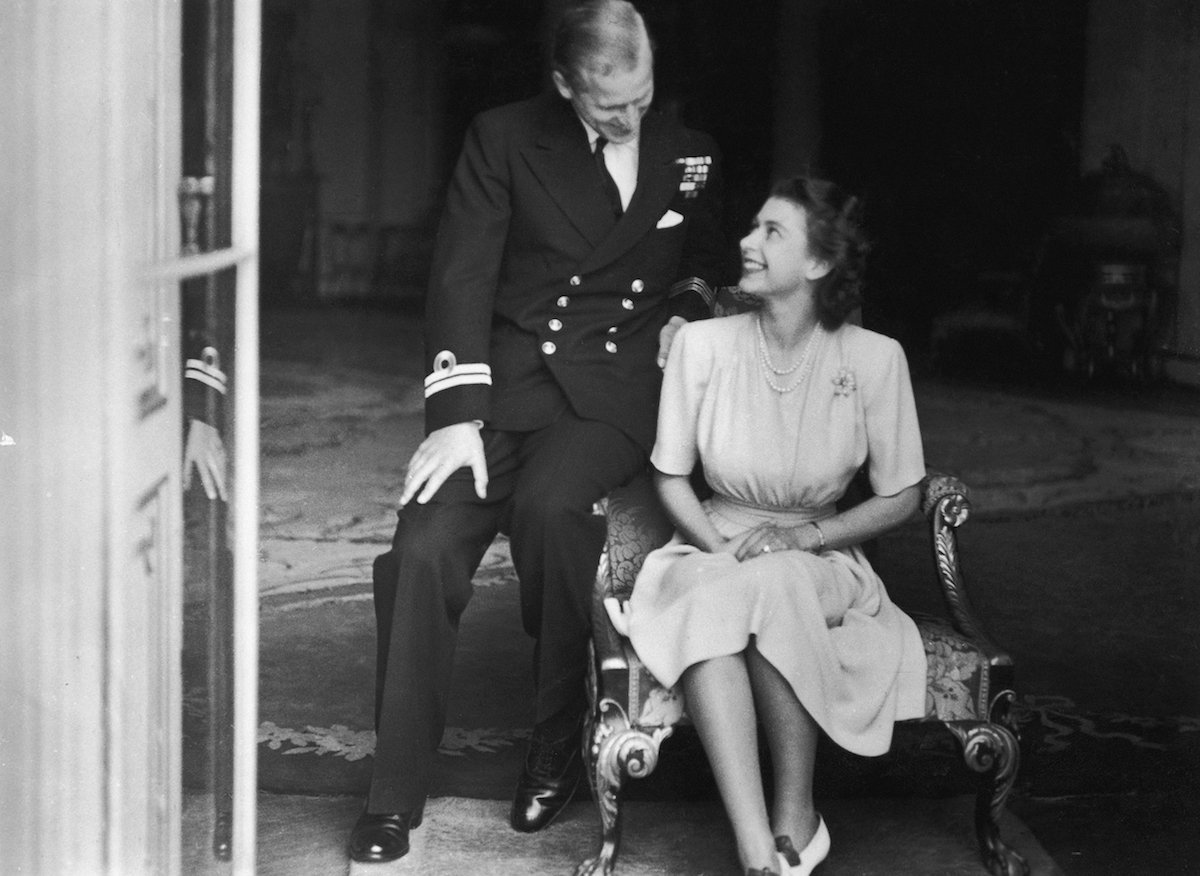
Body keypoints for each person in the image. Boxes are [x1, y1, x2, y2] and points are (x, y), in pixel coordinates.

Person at [349, 0, 731, 864]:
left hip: (610, 397)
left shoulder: (690, 152)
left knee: (555, 512)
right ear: (564, 84)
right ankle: (392, 794)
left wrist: (684, 308)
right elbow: (461, 275)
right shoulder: (503, 138)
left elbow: (704, 255)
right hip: (503, 387)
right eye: (609, 105)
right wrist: (456, 419)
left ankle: (557, 735)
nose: (630, 119)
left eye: (642, 99)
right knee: (421, 547)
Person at [619, 177, 928, 876]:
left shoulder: (876, 359)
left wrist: (804, 539)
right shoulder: (702, 346)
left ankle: (797, 810)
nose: (746, 242)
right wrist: (718, 548)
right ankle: (758, 845)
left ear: (818, 263)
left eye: (772, 232)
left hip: (820, 556)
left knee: (780, 579)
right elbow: (670, 475)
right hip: (714, 544)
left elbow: (902, 495)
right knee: (725, 595)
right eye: (752, 226)